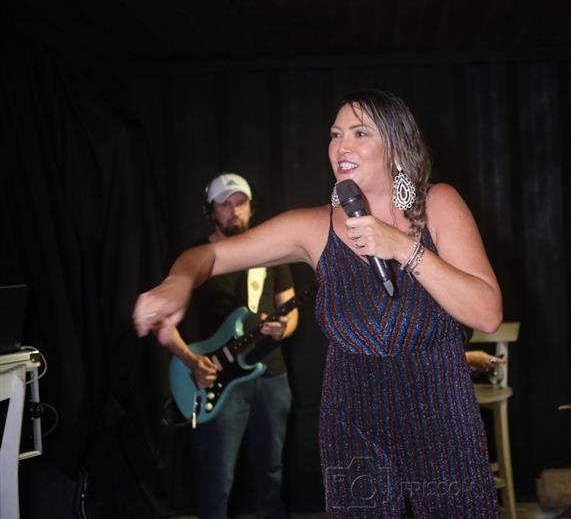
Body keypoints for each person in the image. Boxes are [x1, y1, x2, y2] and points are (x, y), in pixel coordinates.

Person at [134, 89, 503, 517]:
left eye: (359, 132)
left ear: (396, 144)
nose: (341, 146)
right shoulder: (312, 229)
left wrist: (404, 248)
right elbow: (209, 256)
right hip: (354, 428)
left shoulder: (438, 204)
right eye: (335, 134)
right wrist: (177, 282)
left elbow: (487, 313)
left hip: (441, 420)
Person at [162, 173, 298, 519]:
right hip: (219, 382)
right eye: (225, 204)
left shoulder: (271, 252)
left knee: (271, 473)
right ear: (210, 211)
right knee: (217, 480)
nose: (234, 211)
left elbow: (292, 309)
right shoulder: (197, 258)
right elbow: (164, 324)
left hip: (271, 376)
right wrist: (192, 361)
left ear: (251, 207)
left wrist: (283, 327)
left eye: (240, 203)